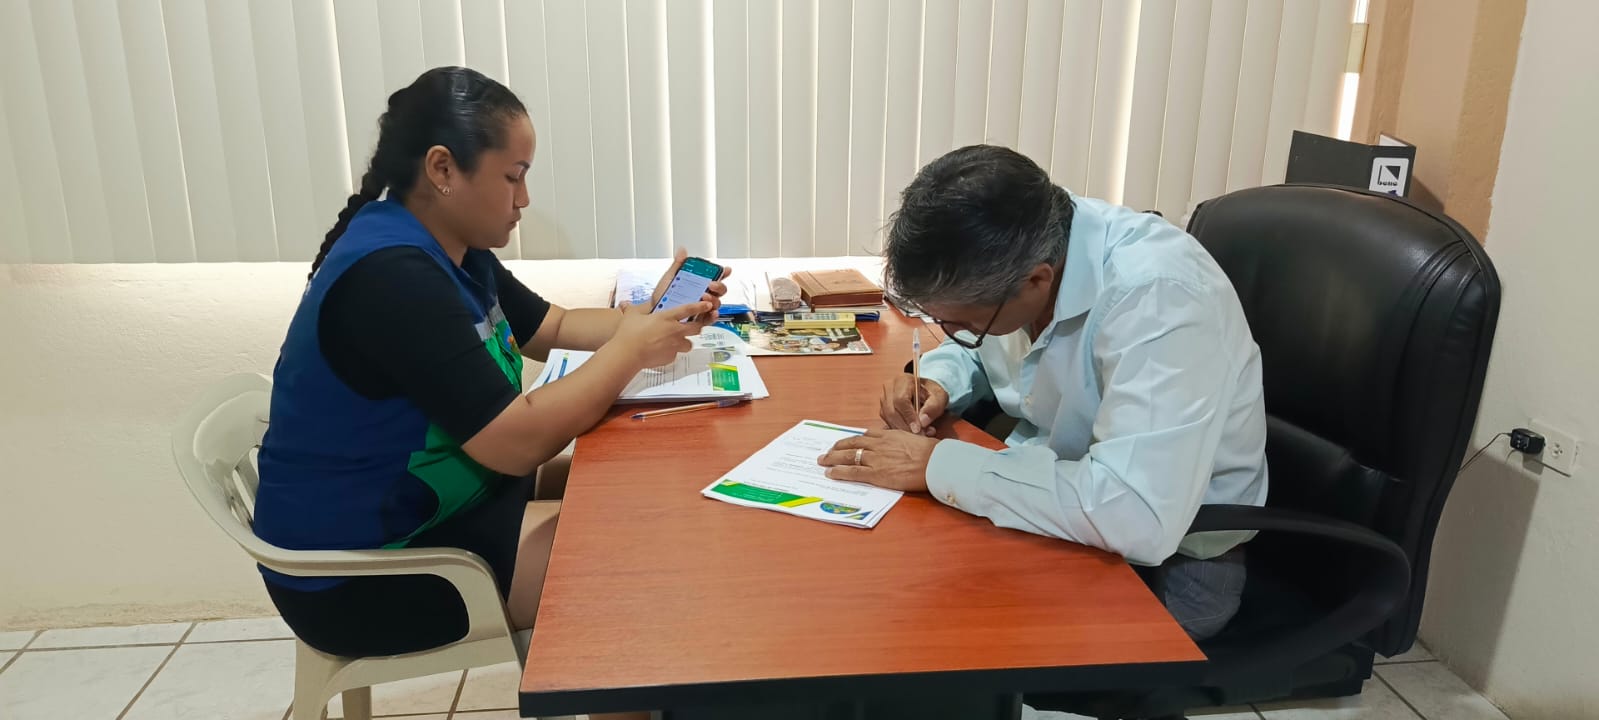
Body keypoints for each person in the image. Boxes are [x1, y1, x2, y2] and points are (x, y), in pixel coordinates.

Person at [253, 65, 725, 710]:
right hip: (361, 575)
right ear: (443, 168)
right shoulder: (394, 279)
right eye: (513, 176)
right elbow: (515, 443)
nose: (524, 199)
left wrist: (651, 317)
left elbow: (552, 326)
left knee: (633, 485)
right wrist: (628, 350)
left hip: (438, 512)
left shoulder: (451, 245)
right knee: (623, 564)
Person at [816, 145, 1267, 639]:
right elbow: (987, 347)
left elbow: (1134, 515)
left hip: (1171, 554)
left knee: (962, 635)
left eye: (962, 323)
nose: (955, 332)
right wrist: (939, 380)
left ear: (1036, 280)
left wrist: (933, 465)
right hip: (1055, 495)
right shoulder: (1021, 247)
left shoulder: (1160, 298)